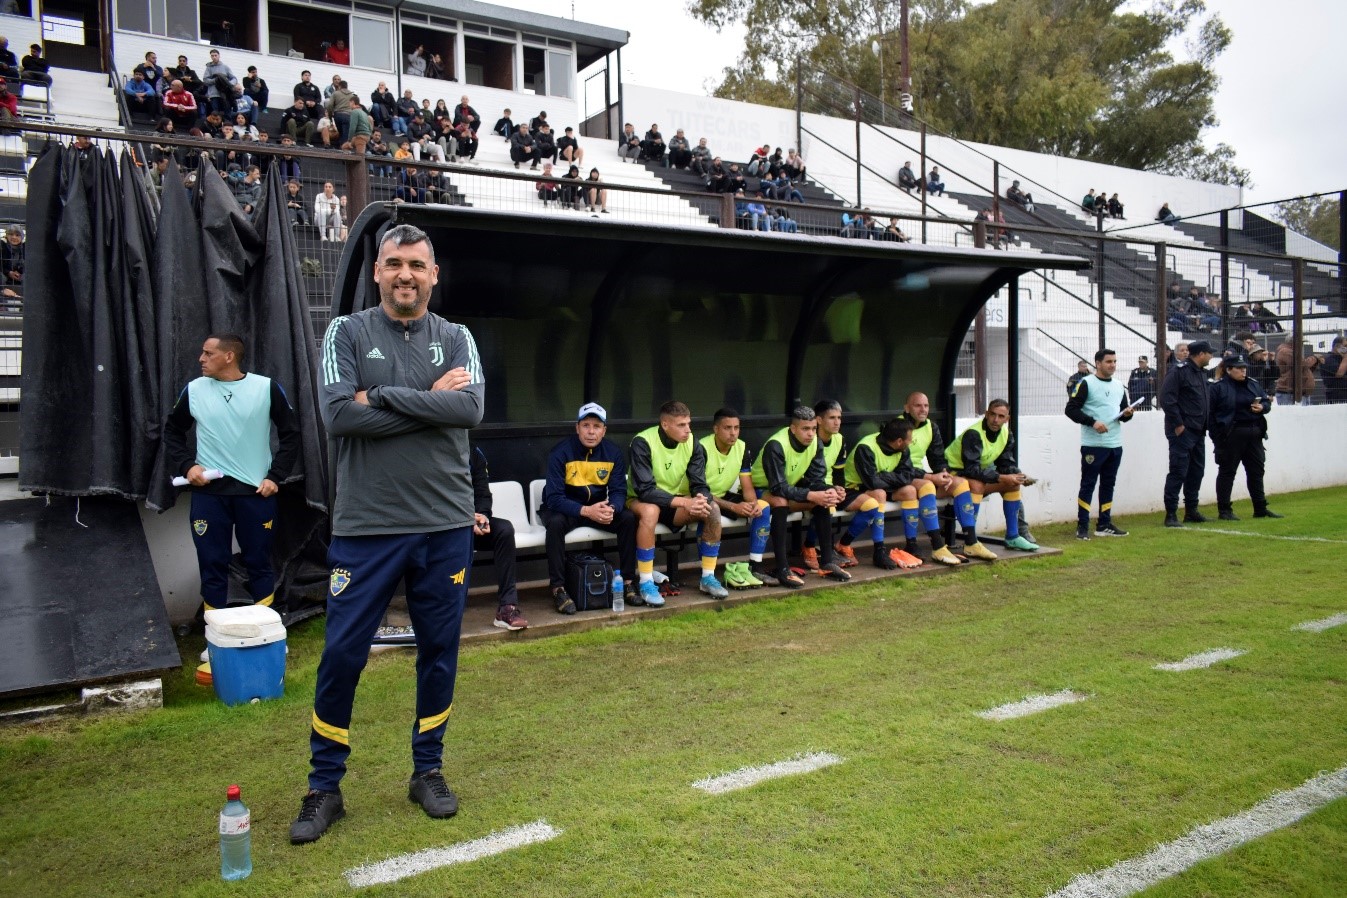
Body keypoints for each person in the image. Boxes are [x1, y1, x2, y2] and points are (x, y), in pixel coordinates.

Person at [291, 224, 484, 843]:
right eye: (394, 264)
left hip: (445, 525)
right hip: (367, 528)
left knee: (438, 652)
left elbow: (470, 411)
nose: (406, 275)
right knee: (344, 654)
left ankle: (426, 771)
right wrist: (428, 399)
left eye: (417, 266)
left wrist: (387, 401)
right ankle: (325, 787)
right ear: (377, 272)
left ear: (434, 275)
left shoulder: (457, 337)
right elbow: (339, 415)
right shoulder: (345, 333)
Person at [163, 334, 299, 630]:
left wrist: (275, 476)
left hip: (255, 493)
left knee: (259, 562)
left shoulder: (265, 387)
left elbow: (291, 434)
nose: (201, 359)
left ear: (229, 357)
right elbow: (172, 432)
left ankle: (266, 632)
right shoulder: (195, 390)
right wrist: (188, 466)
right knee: (212, 565)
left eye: (208, 353)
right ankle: (216, 636)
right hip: (209, 494)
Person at [627, 401, 728, 603]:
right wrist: (683, 503)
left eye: (688, 424)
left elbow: (699, 483)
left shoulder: (693, 443)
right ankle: (646, 582)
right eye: (681, 425)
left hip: (673, 503)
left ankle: (707, 577)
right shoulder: (642, 442)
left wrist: (701, 499)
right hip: (637, 500)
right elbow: (645, 491)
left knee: (712, 509)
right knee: (651, 511)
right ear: (665, 425)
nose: (687, 430)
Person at [541, 402, 638, 613]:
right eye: (586, 425)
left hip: (597, 508)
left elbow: (619, 491)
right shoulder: (560, 452)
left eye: (596, 426)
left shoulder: (612, 452)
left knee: (628, 519)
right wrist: (586, 511)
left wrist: (611, 508)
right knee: (555, 524)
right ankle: (558, 589)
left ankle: (629, 582)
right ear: (577, 428)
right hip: (565, 509)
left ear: (604, 430)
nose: (591, 431)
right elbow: (554, 498)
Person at [748, 406, 852, 588]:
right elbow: (778, 487)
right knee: (780, 501)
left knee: (824, 498)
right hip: (759, 491)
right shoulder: (776, 445)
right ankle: (782, 568)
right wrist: (812, 494)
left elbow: (815, 479)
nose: (811, 434)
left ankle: (827, 562)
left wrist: (830, 489)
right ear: (793, 428)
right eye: (805, 429)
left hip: (789, 489)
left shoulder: (815, 443)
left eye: (813, 429)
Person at [896, 391, 992, 562]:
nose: (923, 409)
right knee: (928, 485)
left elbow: (937, 457)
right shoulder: (898, 426)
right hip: (900, 477)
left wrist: (943, 473)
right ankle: (938, 546)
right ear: (907, 408)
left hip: (919, 475)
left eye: (926, 405)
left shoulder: (931, 427)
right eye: (917, 405)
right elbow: (901, 466)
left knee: (960, 483)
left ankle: (971, 542)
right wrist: (931, 478)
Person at [944, 400, 1039, 551]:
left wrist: (1018, 475)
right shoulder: (973, 434)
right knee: (977, 484)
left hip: (974, 473)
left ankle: (1013, 537)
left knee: (1013, 483)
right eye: (993, 415)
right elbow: (971, 469)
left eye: (1001, 416)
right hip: (953, 473)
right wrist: (1001, 477)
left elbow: (1005, 463)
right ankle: (971, 540)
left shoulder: (1006, 434)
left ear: (1007, 419)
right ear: (986, 414)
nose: (996, 420)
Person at [1065, 348, 1135, 540]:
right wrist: (1092, 422)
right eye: (1108, 362)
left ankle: (1104, 524)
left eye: (1114, 361)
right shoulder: (1086, 383)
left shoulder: (1119, 385)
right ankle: (1082, 526)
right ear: (1097, 363)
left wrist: (1128, 414)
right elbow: (1070, 409)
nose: (1112, 365)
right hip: (1093, 445)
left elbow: (1121, 415)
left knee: (1108, 484)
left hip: (1115, 444)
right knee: (1088, 484)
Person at [698, 408, 771, 589]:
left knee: (763, 507)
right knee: (709, 511)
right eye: (727, 428)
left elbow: (747, 485)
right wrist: (734, 507)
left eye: (736, 428)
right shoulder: (700, 448)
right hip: (700, 497)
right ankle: (708, 574)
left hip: (723, 496)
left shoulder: (742, 447)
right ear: (716, 429)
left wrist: (752, 504)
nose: (733, 433)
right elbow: (699, 490)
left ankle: (755, 565)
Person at [463, 444, 529, 631]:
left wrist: (482, 515)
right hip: (443, 526)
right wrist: (465, 518)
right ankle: (442, 609)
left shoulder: (474, 453)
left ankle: (507, 608)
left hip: (471, 523)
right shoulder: (430, 450)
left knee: (504, 530)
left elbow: (482, 492)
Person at [1208, 355, 1279, 521]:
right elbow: (1210, 415)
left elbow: (1266, 402)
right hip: (1231, 435)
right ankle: (1224, 510)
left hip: (1254, 433)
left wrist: (1262, 407)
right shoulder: (1218, 387)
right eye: (1239, 368)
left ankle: (1260, 508)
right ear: (1228, 370)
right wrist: (1217, 438)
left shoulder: (1253, 384)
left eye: (1244, 368)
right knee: (1227, 472)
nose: (1243, 371)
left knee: (1256, 471)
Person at [1159, 339, 1215, 527]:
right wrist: (1178, 424)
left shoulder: (1200, 373)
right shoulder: (1179, 371)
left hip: (1198, 430)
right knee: (1178, 471)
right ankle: (1171, 514)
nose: (1211, 356)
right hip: (1183, 431)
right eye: (1209, 353)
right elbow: (1167, 399)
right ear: (1200, 354)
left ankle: (1191, 510)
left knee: (1196, 471)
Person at [1274, 335, 1320, 405]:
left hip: (1299, 393)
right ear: (1293, 342)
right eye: (1301, 342)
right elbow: (1301, 364)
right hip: (1289, 393)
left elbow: (1303, 368)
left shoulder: (1293, 352)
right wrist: (1315, 358)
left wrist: (1315, 363)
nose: (1302, 345)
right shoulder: (1285, 351)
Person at [202, 49, 237, 115]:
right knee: (216, 113)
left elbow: (234, 78)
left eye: (215, 55)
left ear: (219, 56)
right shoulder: (209, 68)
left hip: (225, 94)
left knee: (227, 112)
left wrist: (228, 83)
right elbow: (205, 80)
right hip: (214, 94)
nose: (214, 57)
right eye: (212, 56)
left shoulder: (225, 67)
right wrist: (216, 81)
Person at [1322, 336, 1347, 404]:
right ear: (1337, 347)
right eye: (1345, 346)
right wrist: (1346, 358)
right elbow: (1339, 373)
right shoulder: (1328, 359)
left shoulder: (1342, 359)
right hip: (1336, 395)